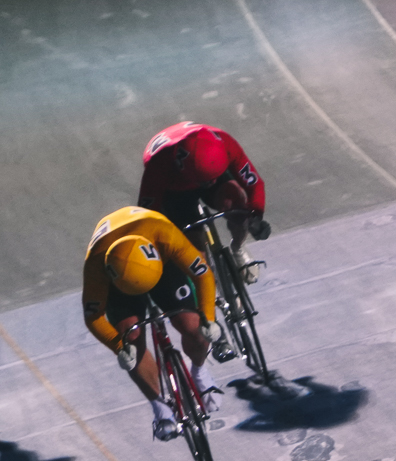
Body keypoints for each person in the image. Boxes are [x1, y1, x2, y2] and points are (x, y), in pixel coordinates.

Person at [81, 207, 223, 441]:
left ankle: (199, 372)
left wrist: (208, 317)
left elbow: (203, 275)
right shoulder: (96, 265)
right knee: (132, 342)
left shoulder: (165, 234)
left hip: (163, 267)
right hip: (120, 289)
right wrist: (118, 346)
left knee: (195, 328)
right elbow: (93, 317)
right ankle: (160, 408)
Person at [138, 122, 271, 280]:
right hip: (175, 191)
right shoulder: (158, 166)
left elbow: (254, 184)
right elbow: (148, 213)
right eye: (206, 181)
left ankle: (238, 247)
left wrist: (255, 216)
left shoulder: (225, 142)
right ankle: (207, 284)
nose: (212, 183)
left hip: (204, 167)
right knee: (194, 248)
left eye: (214, 179)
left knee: (237, 204)